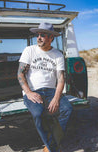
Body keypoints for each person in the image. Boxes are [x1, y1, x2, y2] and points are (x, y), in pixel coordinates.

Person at [17, 22, 73, 152]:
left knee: (67, 109)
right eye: (38, 35)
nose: (39, 38)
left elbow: (60, 79)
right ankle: (52, 148)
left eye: (43, 35)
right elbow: (20, 74)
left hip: (51, 91)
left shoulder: (57, 54)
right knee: (38, 113)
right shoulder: (29, 50)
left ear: (51, 38)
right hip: (33, 91)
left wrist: (56, 98)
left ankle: (50, 145)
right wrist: (29, 93)